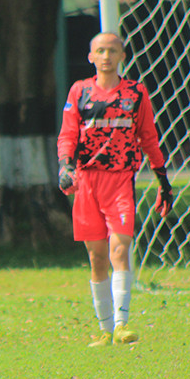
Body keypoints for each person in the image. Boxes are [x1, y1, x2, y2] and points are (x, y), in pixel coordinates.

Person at [57, 32, 174, 347]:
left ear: (122, 56)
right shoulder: (80, 91)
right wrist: (66, 166)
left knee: (120, 249)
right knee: (97, 257)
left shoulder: (135, 92)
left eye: (112, 50)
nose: (106, 56)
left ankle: (122, 324)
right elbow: (68, 133)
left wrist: (162, 179)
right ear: (91, 56)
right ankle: (104, 329)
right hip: (86, 181)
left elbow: (148, 136)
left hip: (120, 180)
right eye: (100, 51)